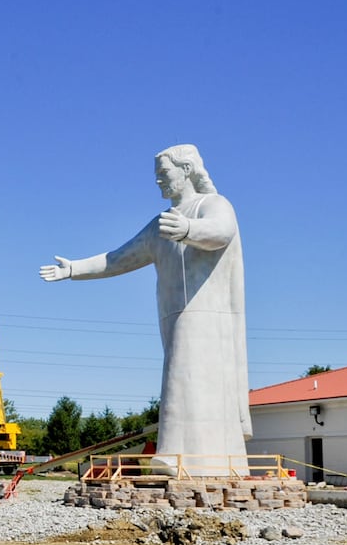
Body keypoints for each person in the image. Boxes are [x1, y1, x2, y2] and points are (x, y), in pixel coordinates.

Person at [39, 144, 250, 475]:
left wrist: (189, 230)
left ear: (187, 170)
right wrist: (74, 269)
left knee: (189, 378)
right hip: (176, 314)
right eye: (156, 177)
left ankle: (191, 459)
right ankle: (186, 458)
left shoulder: (213, 204)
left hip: (206, 315)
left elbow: (222, 231)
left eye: (164, 174)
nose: (159, 183)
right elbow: (120, 257)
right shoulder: (160, 225)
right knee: (180, 380)